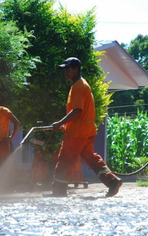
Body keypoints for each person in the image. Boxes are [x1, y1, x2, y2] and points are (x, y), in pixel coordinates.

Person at [48, 57, 123, 197]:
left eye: (68, 69)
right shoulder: (82, 84)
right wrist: (64, 124)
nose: (65, 72)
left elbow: (77, 110)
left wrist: (59, 123)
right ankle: (112, 181)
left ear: (76, 69)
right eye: (64, 70)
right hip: (87, 130)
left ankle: (58, 190)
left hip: (77, 132)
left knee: (65, 158)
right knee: (90, 158)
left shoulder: (78, 86)